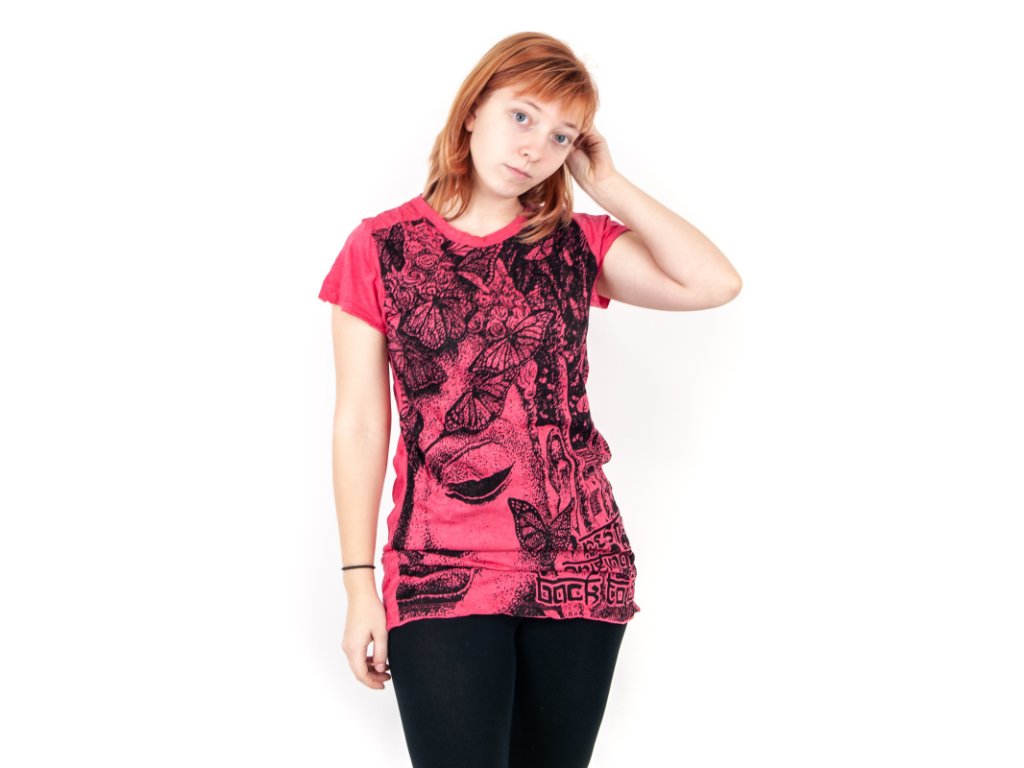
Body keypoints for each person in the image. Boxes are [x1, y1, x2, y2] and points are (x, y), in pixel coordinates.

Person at [318, 31, 741, 768]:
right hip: (439, 567)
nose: (535, 148)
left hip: (579, 559)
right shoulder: (381, 247)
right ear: (473, 109)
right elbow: (359, 425)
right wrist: (360, 587)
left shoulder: (577, 243)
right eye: (522, 116)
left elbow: (712, 283)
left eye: (561, 136)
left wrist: (607, 183)